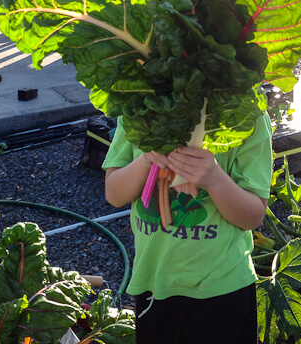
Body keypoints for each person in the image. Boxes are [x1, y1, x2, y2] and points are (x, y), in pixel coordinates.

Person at [103, 112, 272, 344]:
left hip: (220, 289)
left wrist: (214, 179)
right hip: (152, 282)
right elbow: (113, 193)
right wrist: (145, 159)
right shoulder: (138, 109)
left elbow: (253, 216)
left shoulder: (246, 115)